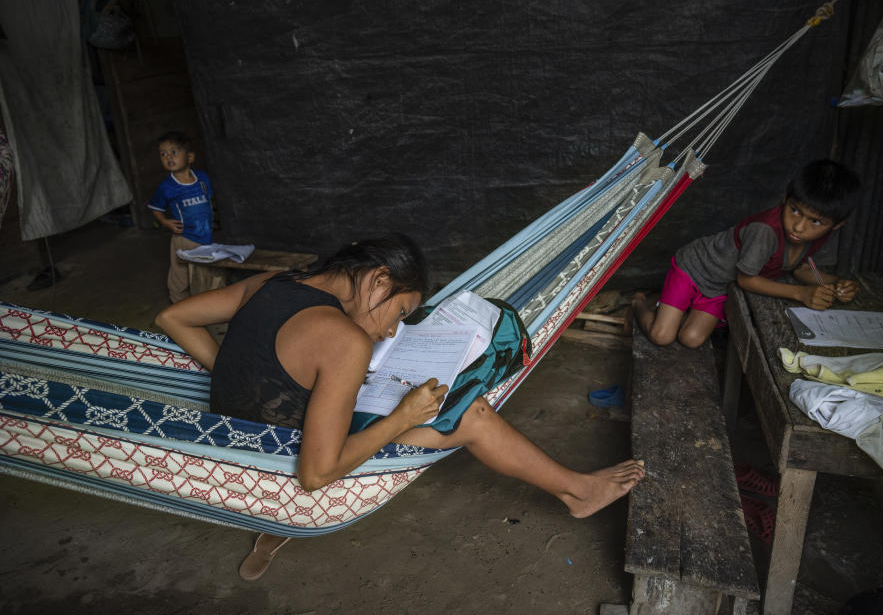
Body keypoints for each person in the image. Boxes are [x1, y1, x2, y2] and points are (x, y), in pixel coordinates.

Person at [155, 233, 645, 580]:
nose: (392, 330)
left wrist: (237, 371)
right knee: (468, 413)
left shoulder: (271, 282)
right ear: (378, 280)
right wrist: (400, 419)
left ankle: (576, 491)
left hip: (234, 435)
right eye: (400, 312)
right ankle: (578, 492)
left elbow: (172, 317)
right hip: (284, 459)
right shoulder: (343, 341)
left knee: (432, 402)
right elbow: (315, 474)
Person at [631, 159, 862, 349]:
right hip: (694, 268)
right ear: (785, 199)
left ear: (837, 225)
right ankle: (639, 303)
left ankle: (673, 309)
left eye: (815, 221)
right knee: (661, 336)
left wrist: (837, 283)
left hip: (720, 287)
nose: (799, 227)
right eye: (794, 210)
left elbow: (800, 268)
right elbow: (746, 279)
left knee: (691, 339)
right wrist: (802, 294)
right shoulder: (765, 231)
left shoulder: (813, 237)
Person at [147, 131, 215, 303]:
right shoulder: (167, 187)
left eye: (174, 152)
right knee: (180, 275)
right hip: (183, 237)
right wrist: (164, 222)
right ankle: (178, 303)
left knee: (205, 273)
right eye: (163, 154)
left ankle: (204, 305)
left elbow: (209, 200)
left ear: (190, 157)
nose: (168, 157)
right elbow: (155, 208)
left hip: (206, 236)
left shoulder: (203, 178)